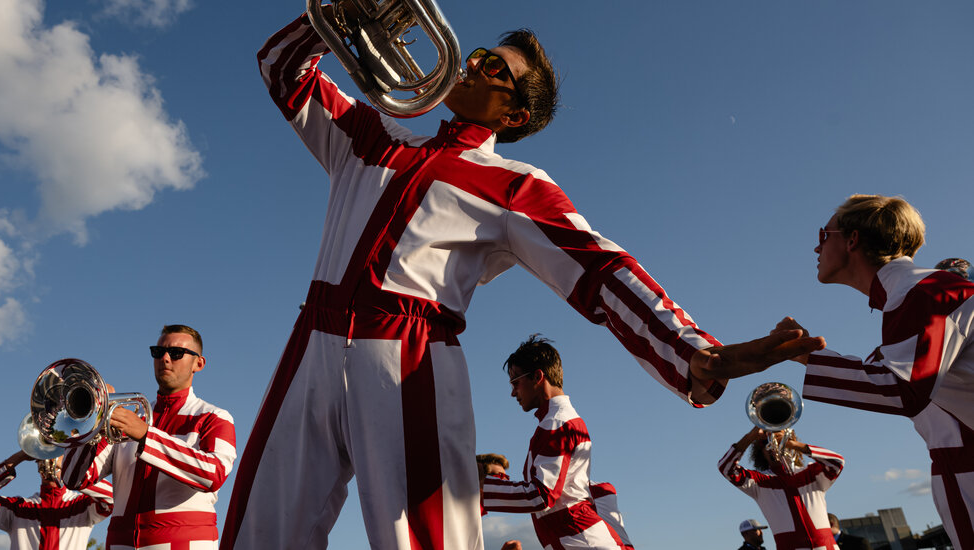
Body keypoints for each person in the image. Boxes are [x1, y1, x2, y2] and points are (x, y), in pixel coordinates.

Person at [221, 10, 823, 550]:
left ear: (514, 114)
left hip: (409, 358)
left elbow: (600, 267)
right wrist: (337, 14)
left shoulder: (515, 183)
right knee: (256, 535)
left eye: (493, 69)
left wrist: (695, 352)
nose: (470, 62)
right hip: (310, 341)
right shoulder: (373, 131)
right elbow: (281, 67)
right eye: (478, 53)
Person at [774, 194, 974, 549]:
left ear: (852, 240)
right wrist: (806, 354)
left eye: (824, 235)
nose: (816, 248)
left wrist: (805, 355)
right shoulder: (911, 295)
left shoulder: (922, 292)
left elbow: (903, 389)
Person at [61, 324, 236, 550]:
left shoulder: (215, 416)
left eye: (176, 353)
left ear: (198, 363)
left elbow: (214, 474)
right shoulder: (130, 416)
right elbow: (74, 478)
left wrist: (146, 435)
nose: (165, 358)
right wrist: (92, 421)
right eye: (158, 351)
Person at [481, 336, 632, 549]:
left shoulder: (558, 423)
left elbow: (541, 496)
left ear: (537, 376)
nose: (513, 392)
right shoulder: (557, 421)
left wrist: (479, 487)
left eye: (516, 382)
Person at [717, 427, 844, 550]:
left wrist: (793, 444)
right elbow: (725, 468)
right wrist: (750, 437)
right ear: (761, 452)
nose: (773, 444)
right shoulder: (758, 481)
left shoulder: (811, 473)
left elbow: (837, 461)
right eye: (766, 442)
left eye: (779, 438)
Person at [0, 450, 113, 550]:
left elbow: (112, 498)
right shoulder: (18, 508)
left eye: (58, 457)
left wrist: (71, 471)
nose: (50, 463)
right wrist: (19, 457)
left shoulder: (82, 505)